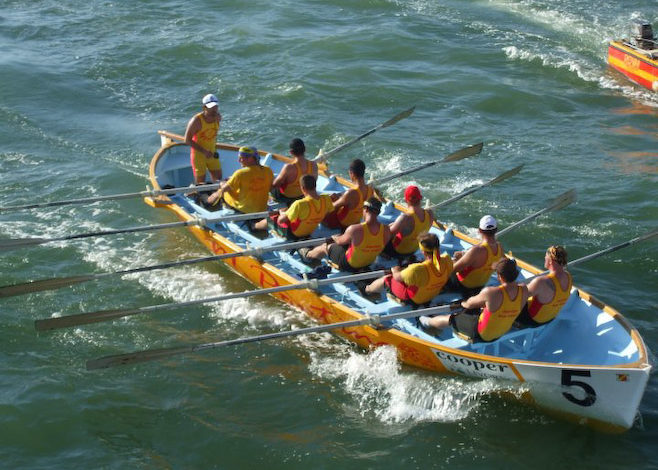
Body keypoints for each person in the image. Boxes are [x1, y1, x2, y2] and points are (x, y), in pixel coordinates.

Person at [420, 257, 529, 342]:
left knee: (452, 318)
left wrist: (463, 302)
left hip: (482, 334)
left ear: (500, 276)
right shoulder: (524, 289)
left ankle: (426, 322)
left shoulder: (491, 292)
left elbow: (468, 304)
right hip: (502, 331)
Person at [365, 232, 453, 306]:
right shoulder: (447, 259)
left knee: (387, 279)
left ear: (422, 251)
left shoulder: (417, 269)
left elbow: (397, 277)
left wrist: (395, 270)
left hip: (415, 300)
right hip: (431, 295)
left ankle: (367, 290)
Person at [304, 197, 391, 272]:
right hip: (368, 263)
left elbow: (339, 242)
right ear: (378, 212)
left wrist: (335, 237)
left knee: (325, 246)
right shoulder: (386, 230)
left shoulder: (355, 229)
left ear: (366, 209)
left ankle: (307, 255)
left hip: (349, 265)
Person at [253, 174, 334, 240]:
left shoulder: (299, 204)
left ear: (302, 188)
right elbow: (327, 212)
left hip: (293, 234)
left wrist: (282, 213)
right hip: (310, 231)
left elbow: (280, 221)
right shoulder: (326, 198)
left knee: (271, 218)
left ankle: (254, 226)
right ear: (315, 186)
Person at [206, 146, 274, 214]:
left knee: (223, 190)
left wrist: (222, 184)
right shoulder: (268, 170)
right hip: (262, 208)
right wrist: (233, 178)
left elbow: (224, 189)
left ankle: (212, 206)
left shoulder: (240, 173)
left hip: (244, 209)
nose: (239, 161)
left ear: (250, 159)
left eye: (241, 158)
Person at [516, 245, 572, 326]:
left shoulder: (541, 282)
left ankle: (515, 323)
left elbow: (519, 295)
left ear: (550, 261)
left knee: (512, 299)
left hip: (533, 320)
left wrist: (517, 286)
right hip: (550, 318)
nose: (544, 258)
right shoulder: (568, 276)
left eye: (545, 256)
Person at [449, 214, 503, 297]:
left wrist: (455, 260)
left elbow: (453, 270)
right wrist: (464, 255)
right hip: (481, 286)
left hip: (463, 286)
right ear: (496, 230)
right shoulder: (499, 247)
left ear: (479, 231)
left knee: (449, 262)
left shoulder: (476, 250)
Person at [322, 159, 379, 231]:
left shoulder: (351, 193)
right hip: (355, 222)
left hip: (342, 224)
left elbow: (333, 206)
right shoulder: (370, 190)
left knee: (328, 201)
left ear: (352, 173)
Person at [384, 185, 434, 261]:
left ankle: (384, 255)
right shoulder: (430, 213)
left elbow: (388, 233)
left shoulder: (405, 218)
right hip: (413, 250)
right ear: (420, 198)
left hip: (398, 252)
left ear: (406, 200)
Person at [185, 93, 222, 184]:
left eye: (216, 107)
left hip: (212, 152)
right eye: (211, 107)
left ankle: (215, 196)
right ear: (204, 107)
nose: (214, 109)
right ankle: (199, 196)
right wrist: (204, 151)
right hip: (199, 155)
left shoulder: (217, 117)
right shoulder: (196, 121)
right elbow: (187, 140)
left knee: (218, 177)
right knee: (201, 182)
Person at [270, 138, 318, 206]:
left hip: (286, 197)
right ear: (305, 149)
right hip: (301, 195)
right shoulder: (313, 165)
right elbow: (313, 183)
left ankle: (275, 202)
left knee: (271, 183)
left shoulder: (289, 167)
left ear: (291, 152)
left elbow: (275, 184)